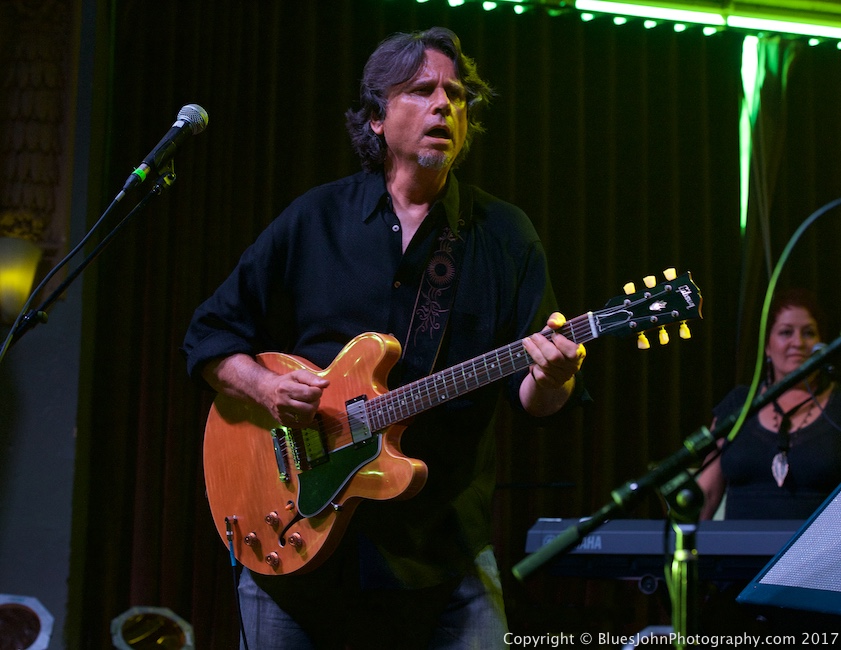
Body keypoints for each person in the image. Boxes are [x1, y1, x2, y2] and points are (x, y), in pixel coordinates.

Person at [182, 27, 586, 649]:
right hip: (296, 544)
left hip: (441, 555)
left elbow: (535, 402)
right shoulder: (314, 220)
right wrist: (264, 387)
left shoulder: (505, 236)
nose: (443, 106)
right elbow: (208, 334)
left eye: (456, 96)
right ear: (375, 117)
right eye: (422, 91)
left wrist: (554, 375)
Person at [697, 288, 841, 520]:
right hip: (737, 552)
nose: (798, 343)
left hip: (820, 556)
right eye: (786, 332)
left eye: (809, 333)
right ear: (767, 346)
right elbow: (707, 494)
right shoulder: (738, 404)